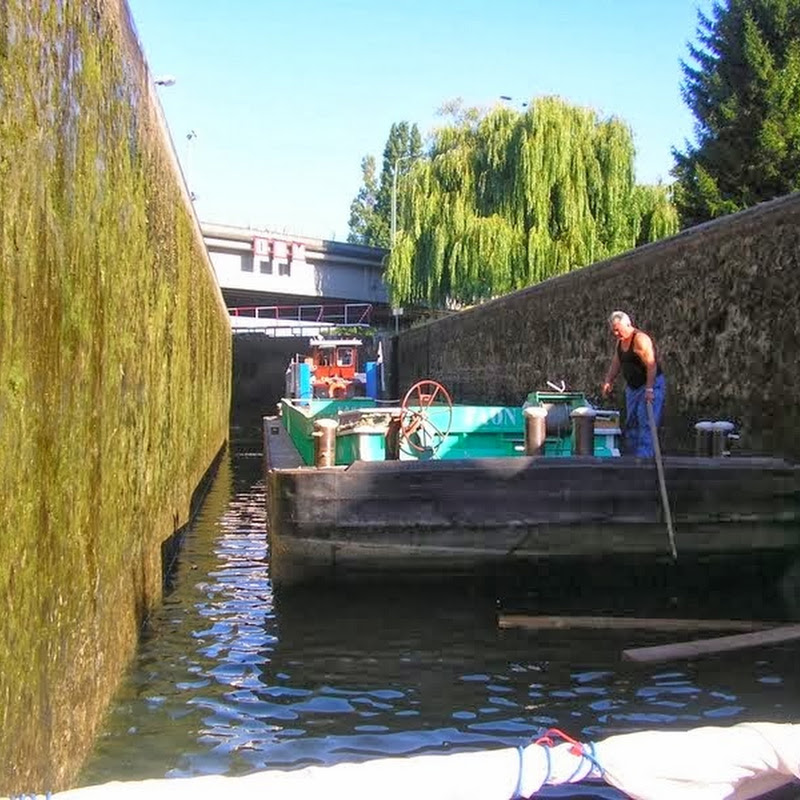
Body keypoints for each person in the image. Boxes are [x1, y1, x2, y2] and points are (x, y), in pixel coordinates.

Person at [601, 310, 665, 457]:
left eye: (618, 330)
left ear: (627, 325)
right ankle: (631, 459)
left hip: (650, 384)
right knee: (631, 424)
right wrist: (608, 380)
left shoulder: (640, 340)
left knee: (647, 423)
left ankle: (644, 460)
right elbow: (616, 363)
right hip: (633, 388)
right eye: (614, 331)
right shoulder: (620, 342)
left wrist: (649, 389)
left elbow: (651, 365)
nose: (616, 333)